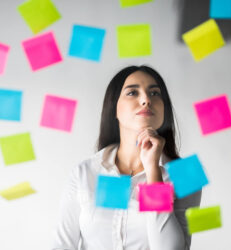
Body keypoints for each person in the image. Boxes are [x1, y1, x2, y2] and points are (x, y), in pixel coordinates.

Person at [52, 65, 201, 250]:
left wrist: (153, 171)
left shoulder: (188, 174)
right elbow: (62, 246)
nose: (146, 100)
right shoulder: (85, 172)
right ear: (114, 107)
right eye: (132, 93)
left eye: (155, 93)